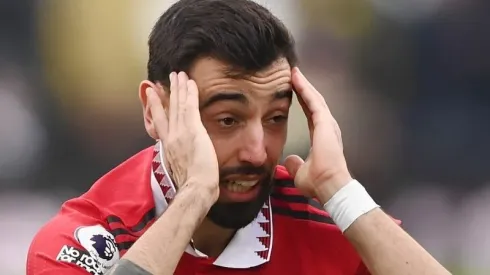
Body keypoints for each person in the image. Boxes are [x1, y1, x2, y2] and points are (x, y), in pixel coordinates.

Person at [27, 0, 451, 274]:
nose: (256, 151)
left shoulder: (327, 229)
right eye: (227, 119)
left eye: (275, 118)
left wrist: (339, 191)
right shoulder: (88, 237)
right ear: (155, 111)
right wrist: (194, 196)